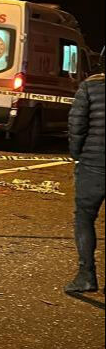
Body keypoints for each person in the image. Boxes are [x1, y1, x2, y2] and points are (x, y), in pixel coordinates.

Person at [64, 65, 104, 293]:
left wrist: (78, 155)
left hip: (94, 163)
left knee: (85, 217)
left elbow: (76, 125)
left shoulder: (91, 85)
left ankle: (86, 275)